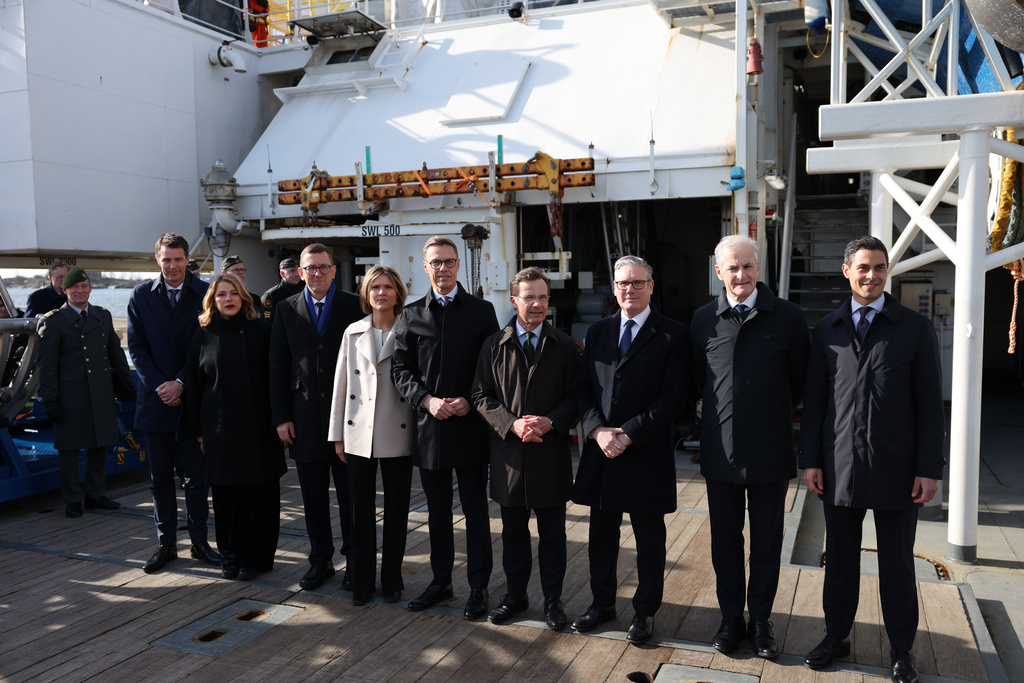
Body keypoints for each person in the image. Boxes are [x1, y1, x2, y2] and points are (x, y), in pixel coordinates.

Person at [800, 236, 944, 683]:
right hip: (840, 468)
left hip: (899, 472)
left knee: (896, 565)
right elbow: (816, 402)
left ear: (887, 273)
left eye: (880, 268)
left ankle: (902, 648)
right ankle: (835, 635)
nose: (872, 276)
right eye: (863, 268)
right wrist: (811, 460)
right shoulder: (827, 330)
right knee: (840, 561)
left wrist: (929, 467)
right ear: (847, 271)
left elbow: (929, 405)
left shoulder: (914, 329)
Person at [691, 235, 809, 658]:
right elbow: (694, 382)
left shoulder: (790, 318)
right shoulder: (703, 319)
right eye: (732, 268)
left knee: (767, 541)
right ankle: (730, 619)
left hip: (770, 454)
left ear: (759, 269)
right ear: (718, 272)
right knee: (724, 540)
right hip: (720, 455)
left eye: (748, 267)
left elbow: (799, 383)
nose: (741, 275)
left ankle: (760, 620)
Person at [571, 255, 689, 644]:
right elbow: (584, 387)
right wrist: (597, 430)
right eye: (623, 284)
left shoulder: (673, 333)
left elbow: (675, 396)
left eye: (638, 283)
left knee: (649, 539)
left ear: (651, 287)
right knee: (601, 536)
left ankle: (644, 612)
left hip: (645, 451)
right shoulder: (598, 332)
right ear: (615, 289)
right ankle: (602, 603)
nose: (630, 290)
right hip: (602, 451)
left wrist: (629, 433)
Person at [392, 235, 499, 619]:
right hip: (431, 428)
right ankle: (440, 583)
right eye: (435, 262)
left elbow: (493, 367)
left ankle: (478, 587)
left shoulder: (481, 310)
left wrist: (471, 399)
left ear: (458, 265)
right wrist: (427, 400)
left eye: (449, 261)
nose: (442, 268)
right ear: (425, 267)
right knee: (436, 513)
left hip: (470, 426)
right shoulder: (411, 314)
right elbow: (400, 369)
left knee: (475, 511)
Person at [472, 267, 579, 630]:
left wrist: (550, 422)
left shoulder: (564, 345)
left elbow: (576, 398)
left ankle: (553, 600)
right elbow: (480, 396)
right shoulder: (493, 345)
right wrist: (512, 423)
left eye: (543, 297)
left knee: (553, 535)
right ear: (514, 300)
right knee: (513, 533)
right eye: (529, 297)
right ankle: (515, 596)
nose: (536, 304)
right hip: (510, 457)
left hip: (549, 454)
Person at [270, 243, 362, 590]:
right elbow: (276, 365)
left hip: (346, 416)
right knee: (313, 496)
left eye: (324, 267)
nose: (317, 274)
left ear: (334, 270)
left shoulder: (355, 305)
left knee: (350, 496)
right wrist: (281, 417)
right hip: (304, 417)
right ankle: (320, 559)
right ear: (301, 272)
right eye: (311, 268)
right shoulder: (285, 309)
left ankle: (354, 561)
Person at [127, 233, 219, 573]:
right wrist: (161, 387)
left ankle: (199, 543)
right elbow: (136, 348)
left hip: (192, 402)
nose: (173, 266)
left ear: (187, 261)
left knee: (197, 479)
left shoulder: (205, 293)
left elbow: (208, 344)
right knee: (160, 479)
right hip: (155, 404)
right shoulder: (140, 296)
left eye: (178, 259)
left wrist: (181, 382)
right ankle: (166, 544)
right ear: (158, 260)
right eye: (166, 259)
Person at [185, 273, 286, 580]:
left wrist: (280, 420)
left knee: (260, 498)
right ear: (212, 301)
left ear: (243, 297)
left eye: (233, 293)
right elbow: (193, 385)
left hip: (259, 429)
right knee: (226, 499)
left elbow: (277, 378)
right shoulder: (203, 333)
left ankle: (257, 558)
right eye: (221, 295)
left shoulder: (262, 330)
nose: (227, 299)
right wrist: (199, 431)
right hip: (219, 430)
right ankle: (230, 557)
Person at [328, 265, 414, 606]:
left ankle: (391, 579)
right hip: (358, 433)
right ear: (366, 294)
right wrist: (337, 435)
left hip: (398, 430)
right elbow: (341, 387)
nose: (381, 292)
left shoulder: (410, 330)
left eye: (388, 287)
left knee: (397, 510)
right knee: (358, 511)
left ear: (397, 293)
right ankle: (360, 580)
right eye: (374, 287)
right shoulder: (352, 331)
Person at [36, 268, 136, 518]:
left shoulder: (103, 316)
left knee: (100, 444)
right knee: (69, 449)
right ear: (64, 290)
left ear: (90, 288)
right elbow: (46, 366)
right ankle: (72, 498)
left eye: (84, 286)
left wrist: (127, 386)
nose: (79, 291)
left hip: (100, 391)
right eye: (74, 287)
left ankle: (95, 494)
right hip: (70, 394)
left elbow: (115, 354)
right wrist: (50, 398)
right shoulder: (53, 321)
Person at [261, 257, 304, 324]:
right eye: (292, 271)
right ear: (282, 274)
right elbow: (266, 323)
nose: (297, 274)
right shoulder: (272, 295)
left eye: (298, 271)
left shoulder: (303, 291)